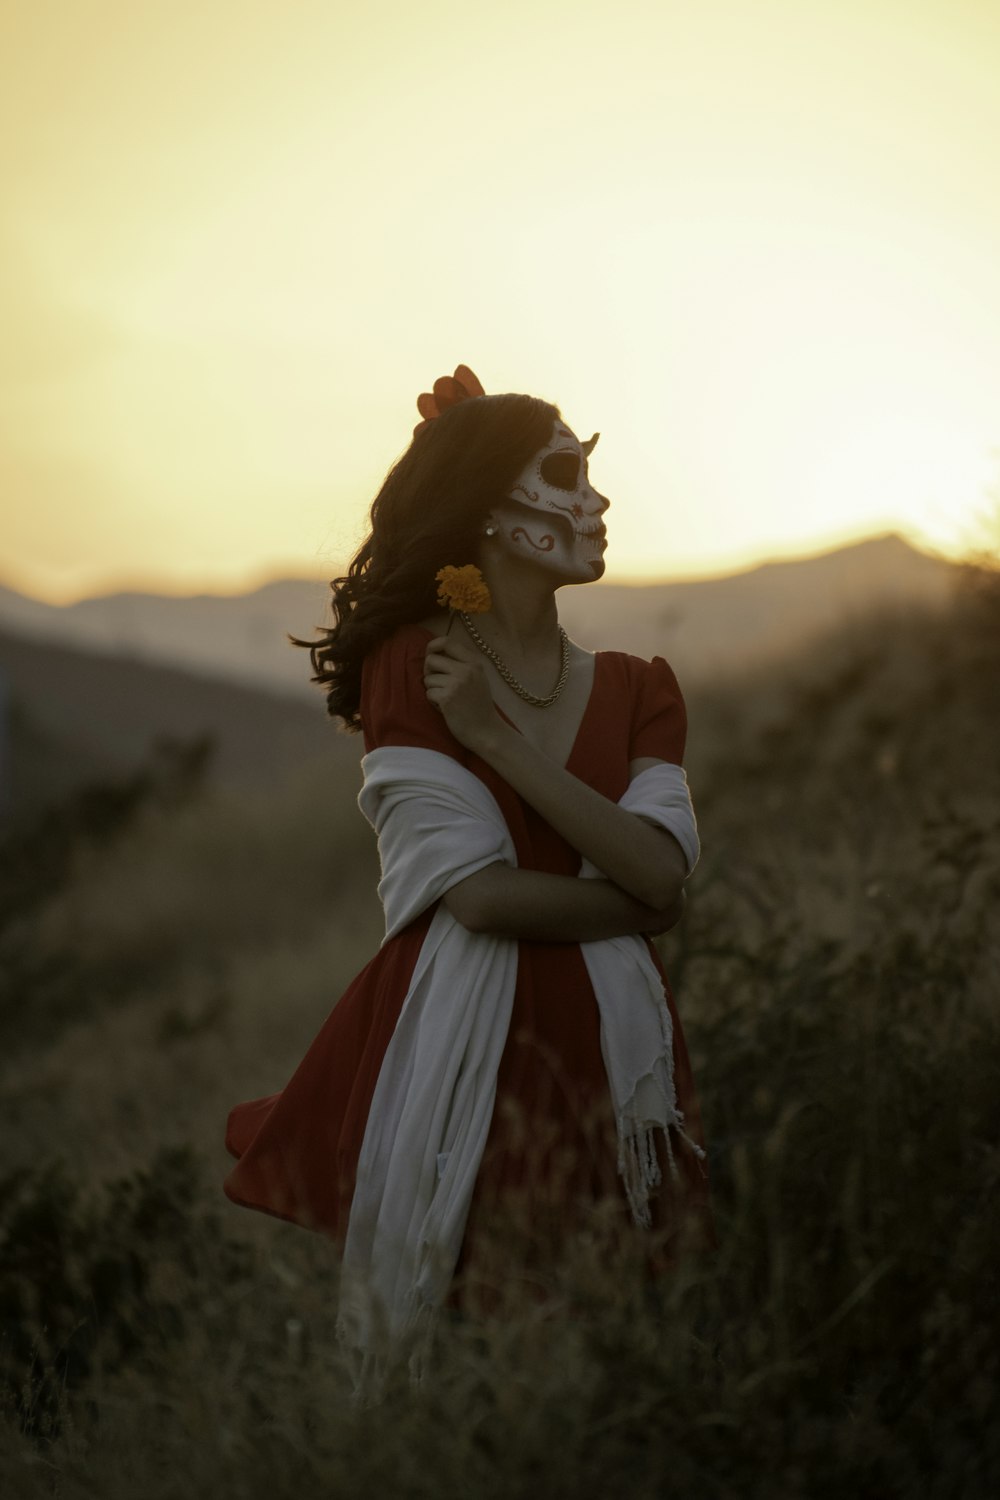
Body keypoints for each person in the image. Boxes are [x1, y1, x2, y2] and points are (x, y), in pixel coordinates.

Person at [224, 365, 713, 1357]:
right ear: (489, 514)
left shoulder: (639, 688)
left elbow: (662, 874)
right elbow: (482, 898)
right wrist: (635, 896)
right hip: (467, 1052)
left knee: (627, 1337)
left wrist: (496, 742)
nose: (596, 499)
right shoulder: (414, 667)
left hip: (614, 1050)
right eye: (566, 472)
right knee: (473, 1335)